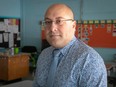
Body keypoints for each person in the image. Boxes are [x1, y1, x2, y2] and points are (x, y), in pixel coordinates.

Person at [33, 3, 107, 87]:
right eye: (48, 22)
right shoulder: (44, 55)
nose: (52, 28)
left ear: (73, 25)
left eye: (59, 21)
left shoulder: (89, 60)